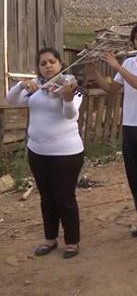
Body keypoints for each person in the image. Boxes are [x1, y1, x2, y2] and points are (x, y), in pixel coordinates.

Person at [87, 23, 137, 243]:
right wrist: (96, 74)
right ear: (133, 42)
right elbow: (112, 89)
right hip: (129, 125)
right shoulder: (130, 61)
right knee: (134, 176)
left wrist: (117, 66)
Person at [7, 48, 84, 259]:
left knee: (65, 197)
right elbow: (12, 100)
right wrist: (21, 85)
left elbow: (70, 116)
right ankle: (50, 238)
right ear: (39, 67)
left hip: (66, 152)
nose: (48, 66)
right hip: (37, 151)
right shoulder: (36, 87)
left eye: (52, 61)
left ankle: (72, 241)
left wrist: (66, 99)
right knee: (46, 198)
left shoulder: (72, 88)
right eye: (43, 63)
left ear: (60, 64)